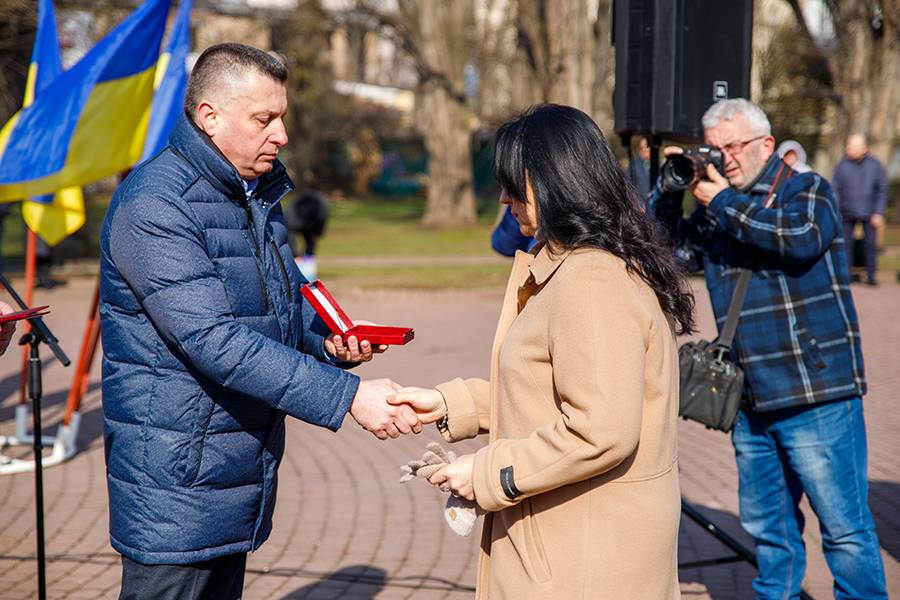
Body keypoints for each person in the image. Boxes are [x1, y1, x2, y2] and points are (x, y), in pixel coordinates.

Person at [100, 43, 421, 600]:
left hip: (230, 468)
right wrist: (348, 397)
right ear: (210, 117)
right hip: (176, 479)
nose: (282, 135)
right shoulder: (155, 205)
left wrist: (329, 342)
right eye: (264, 119)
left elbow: (283, 302)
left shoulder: (253, 194)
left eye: (282, 118)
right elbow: (215, 340)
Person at [393, 104, 694, 598]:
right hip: (572, 540)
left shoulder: (592, 280)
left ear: (558, 180)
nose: (505, 198)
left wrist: (488, 473)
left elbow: (600, 429)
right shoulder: (578, 265)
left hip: (586, 556)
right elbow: (553, 390)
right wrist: (452, 405)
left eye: (515, 183)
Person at [650, 99, 887, 599]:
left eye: (732, 147)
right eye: (713, 150)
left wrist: (719, 202)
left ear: (767, 145)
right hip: (752, 402)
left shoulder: (808, 190)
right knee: (771, 535)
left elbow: (796, 238)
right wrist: (671, 192)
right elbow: (663, 256)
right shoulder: (719, 205)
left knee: (844, 532)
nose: (724, 159)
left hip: (816, 392)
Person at [832, 133, 889, 286]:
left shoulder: (875, 166)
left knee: (870, 245)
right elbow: (835, 189)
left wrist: (878, 212)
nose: (849, 148)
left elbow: (882, 189)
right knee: (845, 245)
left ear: (864, 148)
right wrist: (836, 210)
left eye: (852, 146)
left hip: (869, 211)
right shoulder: (842, 165)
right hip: (846, 211)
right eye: (848, 145)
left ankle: (871, 275)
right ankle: (846, 275)